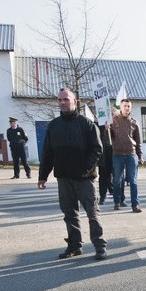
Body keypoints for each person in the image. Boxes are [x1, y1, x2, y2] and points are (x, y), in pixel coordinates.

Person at [38, 88, 107, 260]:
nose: (62, 102)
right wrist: (42, 176)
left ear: (75, 101)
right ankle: (74, 246)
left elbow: (97, 150)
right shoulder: (54, 126)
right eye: (60, 100)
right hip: (63, 178)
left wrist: (86, 168)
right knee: (69, 215)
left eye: (66, 99)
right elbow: (48, 153)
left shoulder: (87, 124)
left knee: (93, 214)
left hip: (85, 179)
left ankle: (99, 246)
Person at [110, 98, 143, 212]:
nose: (127, 108)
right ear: (120, 106)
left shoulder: (134, 122)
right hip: (117, 154)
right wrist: (106, 130)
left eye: (129, 106)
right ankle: (117, 201)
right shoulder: (113, 121)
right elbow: (108, 140)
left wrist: (140, 155)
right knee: (117, 180)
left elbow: (138, 141)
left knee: (133, 181)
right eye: (125, 106)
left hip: (131, 154)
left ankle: (135, 204)